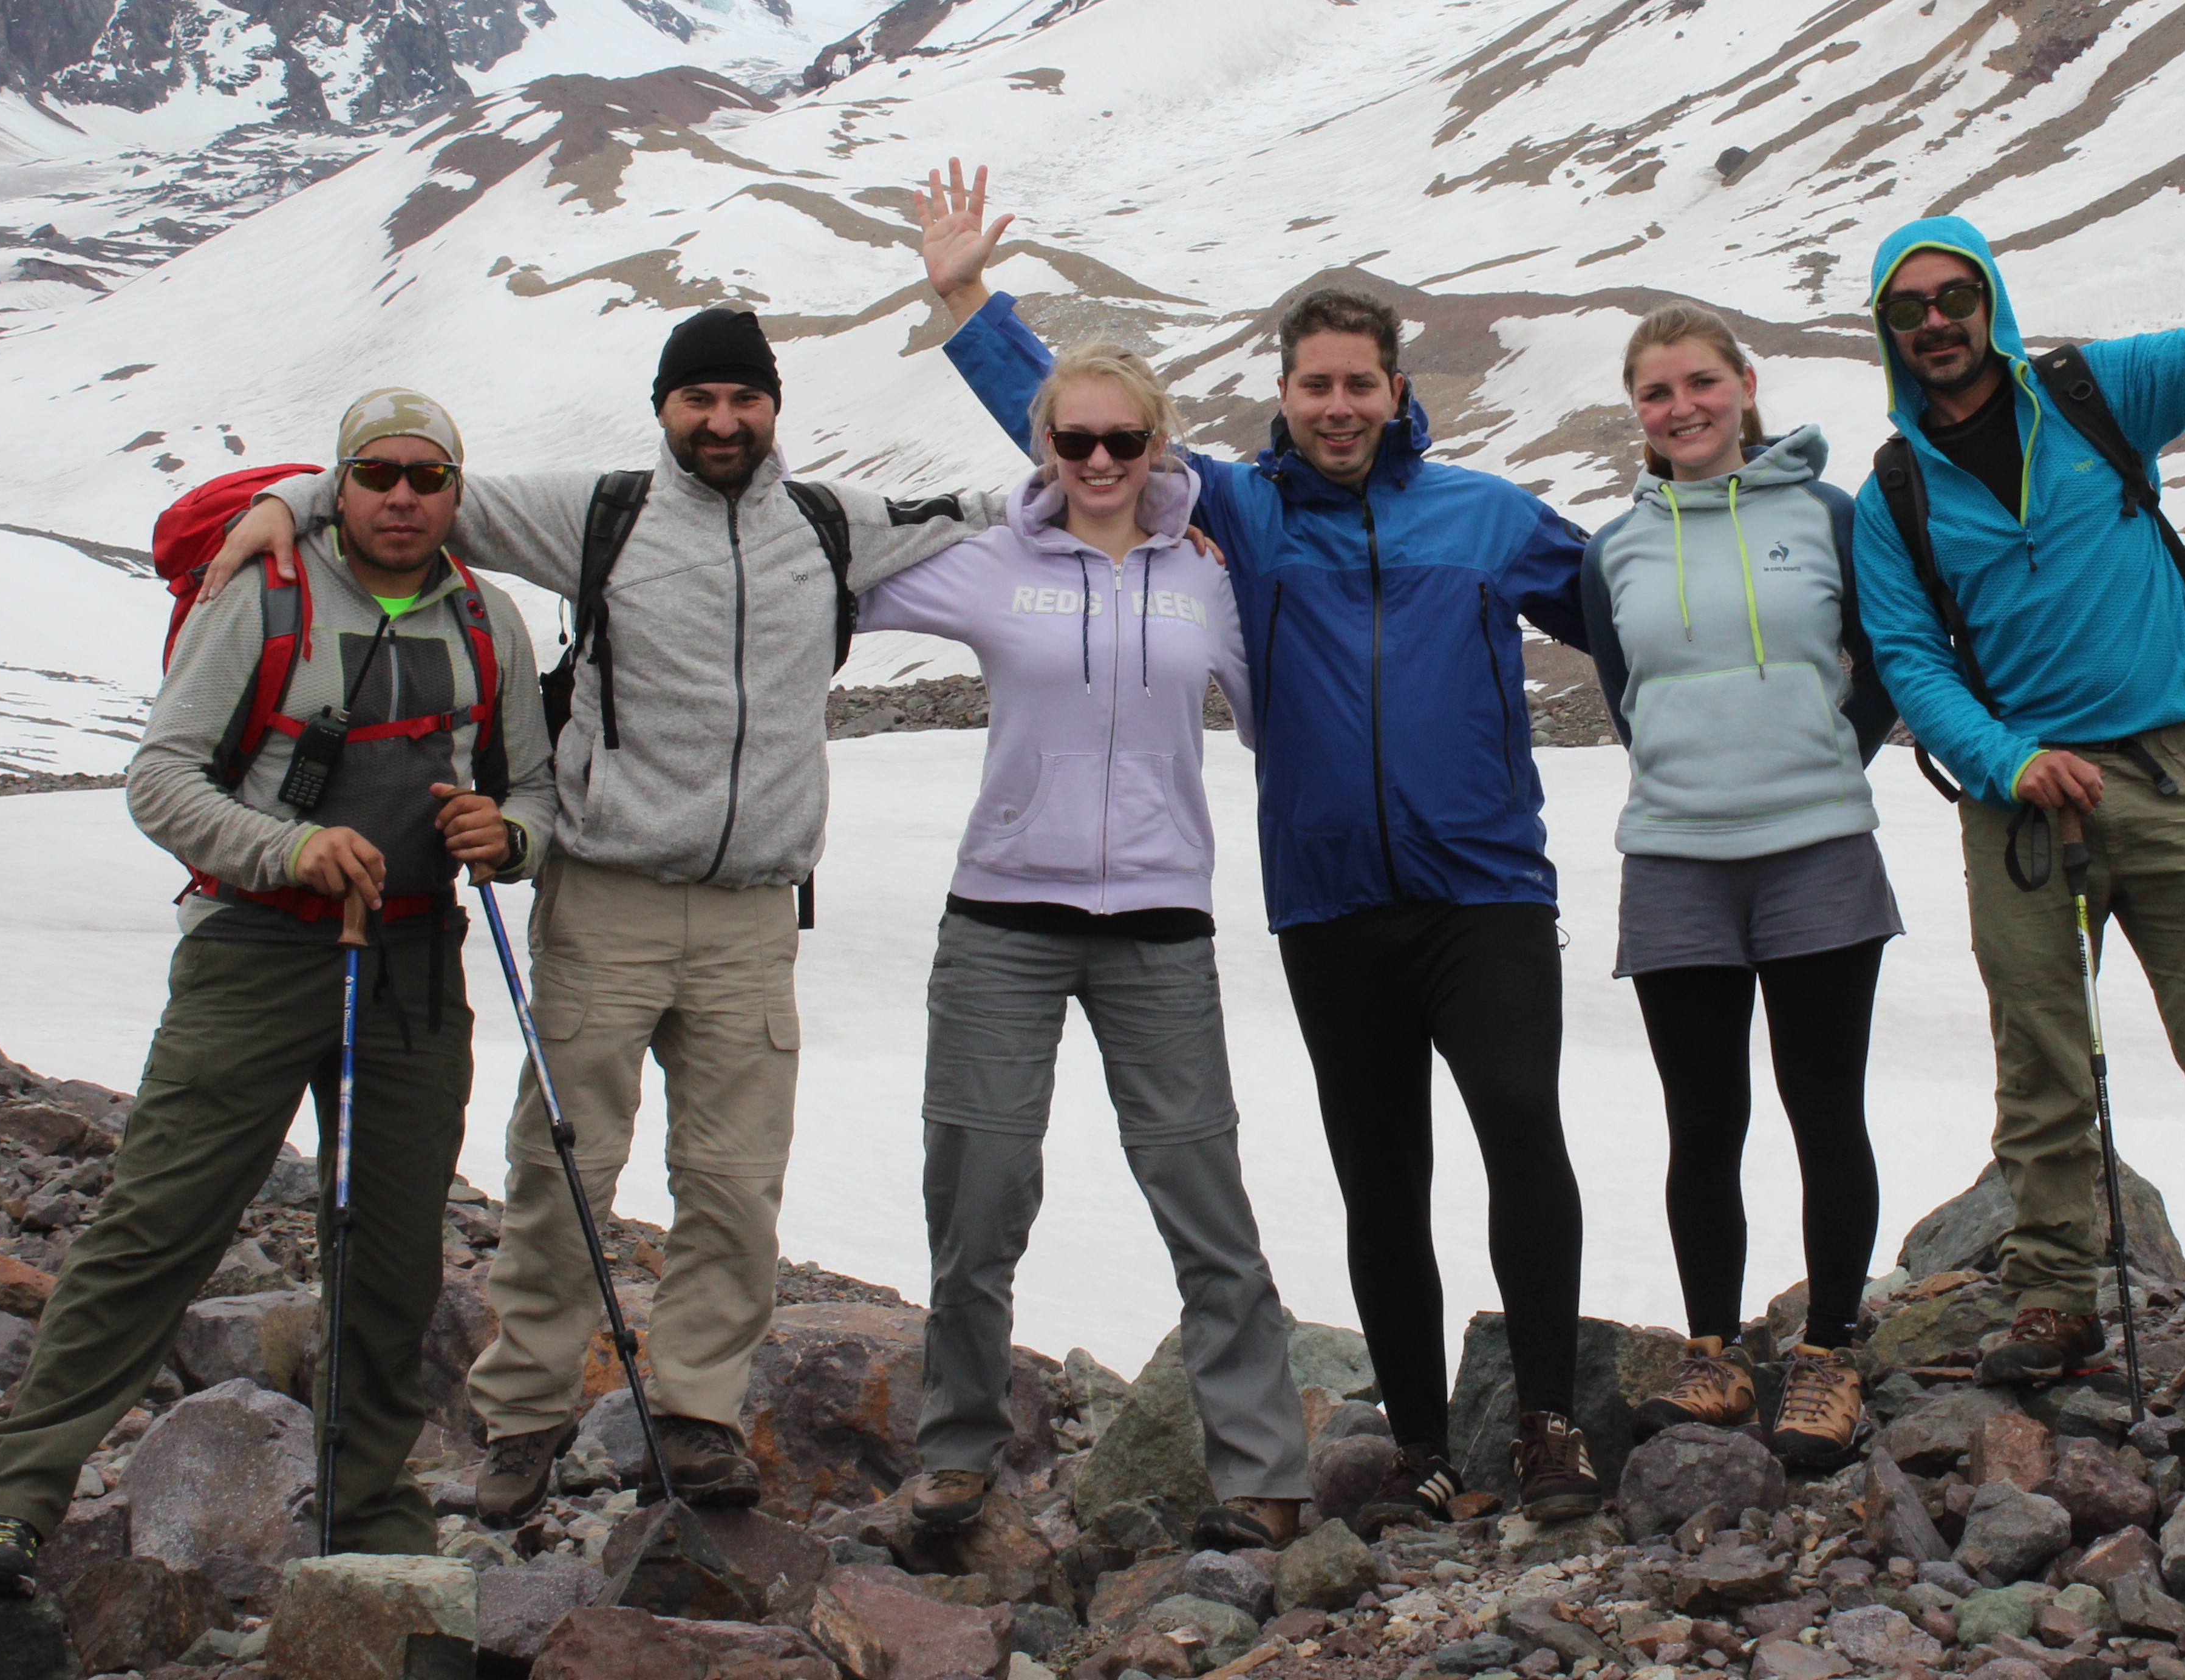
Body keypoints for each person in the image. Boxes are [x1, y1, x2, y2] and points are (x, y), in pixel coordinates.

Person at [205, 307, 993, 1517]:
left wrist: (1169, 524)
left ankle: (697, 1416)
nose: (722, 421)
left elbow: (1001, 513)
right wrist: (288, 501)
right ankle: (521, 1423)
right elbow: (420, 490)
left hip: (752, 916)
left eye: (744, 399)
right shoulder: (601, 513)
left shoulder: (830, 526)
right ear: (664, 409)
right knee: (562, 1165)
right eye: (698, 400)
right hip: (608, 895)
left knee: (735, 1181)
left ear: (773, 408)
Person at [915, 162, 1607, 1528]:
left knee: (1524, 1131)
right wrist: (968, 305)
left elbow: (1635, 616)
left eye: (1361, 384)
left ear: (1398, 393)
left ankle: (1548, 1424)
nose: (1339, 406)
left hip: (1486, 893)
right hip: (1333, 899)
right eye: (1316, 386)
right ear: (1283, 399)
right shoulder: (1240, 510)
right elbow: (1079, 432)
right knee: (1380, 1172)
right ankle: (1418, 1447)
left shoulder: (1486, 516)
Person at [0, 390, 555, 1591]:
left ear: (455, 491)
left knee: (392, 1255)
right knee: (160, 1224)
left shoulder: (494, 623)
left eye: (427, 476)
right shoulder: (263, 597)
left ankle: (371, 1514)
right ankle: (11, 1495)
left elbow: (532, 789)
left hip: (416, 964)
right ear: (338, 483)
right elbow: (161, 780)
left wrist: (511, 834)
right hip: (254, 948)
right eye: (377, 473)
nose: (401, 495)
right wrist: (288, 848)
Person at [1848, 92, 2185, 1386]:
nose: (1937, 323)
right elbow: (1908, 663)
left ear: (1990, 304)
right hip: (2023, 812)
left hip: (2181, 775)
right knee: (2044, 1061)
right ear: (1890, 334)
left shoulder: (2096, 391)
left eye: (1955, 298)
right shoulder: (1892, 493)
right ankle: (2057, 1292)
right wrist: (2010, 760)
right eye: (1911, 309)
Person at [855, 341, 1311, 1551]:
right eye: (1075, 442)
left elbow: (1283, 716)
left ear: (1158, 447)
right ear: (1045, 450)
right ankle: (956, 1457)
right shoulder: (988, 563)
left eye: (1124, 442)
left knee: (1201, 1196)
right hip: (1003, 917)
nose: (1099, 462)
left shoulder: (1207, 578)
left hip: (1161, 921)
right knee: (980, 1195)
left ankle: (1261, 1473)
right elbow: (825, 579)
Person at [1581, 306, 1901, 1467]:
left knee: (1826, 1108)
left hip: (1816, 849)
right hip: (1675, 860)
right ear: (1640, 413)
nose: (1684, 408)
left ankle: (1825, 1355)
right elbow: (1627, 695)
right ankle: (1713, 1351)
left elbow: (1883, 662)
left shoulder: (1823, 515)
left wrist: (1825, 755)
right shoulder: (1614, 548)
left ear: (1746, 385)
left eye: (1702, 383)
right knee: (1702, 1122)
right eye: (1658, 393)